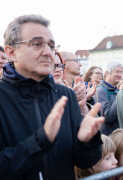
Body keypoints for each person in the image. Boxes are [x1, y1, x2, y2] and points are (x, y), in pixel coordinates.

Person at [0, 14, 104, 180]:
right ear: (11, 53)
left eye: (51, 46)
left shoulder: (66, 96)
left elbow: (85, 163)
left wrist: (87, 142)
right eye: (37, 44)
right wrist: (40, 142)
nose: (48, 52)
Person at [93, 60, 123, 135]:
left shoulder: (116, 89)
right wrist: (120, 95)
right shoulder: (100, 91)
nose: (120, 75)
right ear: (107, 73)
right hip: (109, 138)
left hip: (119, 135)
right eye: (117, 71)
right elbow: (108, 117)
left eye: (121, 72)